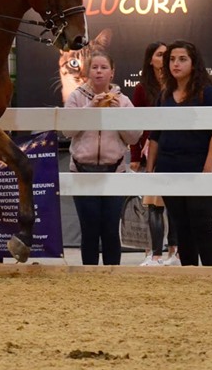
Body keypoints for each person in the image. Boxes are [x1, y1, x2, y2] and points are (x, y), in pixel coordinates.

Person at [146, 40, 212, 267]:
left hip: (202, 168)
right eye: (171, 59)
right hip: (170, 169)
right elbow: (155, 135)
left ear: (194, 63)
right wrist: (150, 170)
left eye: (182, 59)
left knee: (201, 224)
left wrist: (208, 167)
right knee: (182, 226)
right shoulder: (164, 95)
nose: (175, 64)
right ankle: (189, 276)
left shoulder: (207, 93)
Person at [64, 51, 141, 266]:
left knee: (110, 228)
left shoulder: (123, 101)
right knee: (89, 228)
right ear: (87, 72)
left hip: (114, 171)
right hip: (81, 172)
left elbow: (134, 137)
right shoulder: (76, 97)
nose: (98, 71)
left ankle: (112, 275)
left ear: (112, 72)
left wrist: (117, 117)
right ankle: (88, 276)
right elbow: (67, 131)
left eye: (103, 67)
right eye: (94, 67)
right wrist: (90, 109)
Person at [130, 41, 179, 267]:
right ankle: (154, 253)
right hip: (149, 152)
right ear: (150, 60)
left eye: (166, 55)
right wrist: (135, 157)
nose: (164, 59)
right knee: (153, 204)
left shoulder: (177, 86)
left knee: (176, 203)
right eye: (160, 55)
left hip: (174, 149)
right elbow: (137, 126)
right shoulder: (142, 89)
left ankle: (174, 251)